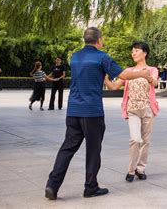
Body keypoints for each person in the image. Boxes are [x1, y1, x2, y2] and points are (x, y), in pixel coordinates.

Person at [45, 27, 151, 201]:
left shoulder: (75, 56)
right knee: (93, 150)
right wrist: (141, 73)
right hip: (92, 112)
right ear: (99, 40)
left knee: (67, 148)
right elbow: (122, 74)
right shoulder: (102, 57)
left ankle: (52, 185)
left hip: (73, 111)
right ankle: (90, 187)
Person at [104, 41, 159, 183]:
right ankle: (131, 170)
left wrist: (147, 76)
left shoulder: (152, 70)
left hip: (147, 109)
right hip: (132, 110)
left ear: (145, 53)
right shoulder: (128, 71)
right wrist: (105, 76)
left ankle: (140, 169)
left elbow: (155, 83)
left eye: (136, 50)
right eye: (133, 51)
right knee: (135, 139)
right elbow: (114, 86)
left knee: (146, 141)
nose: (133, 53)